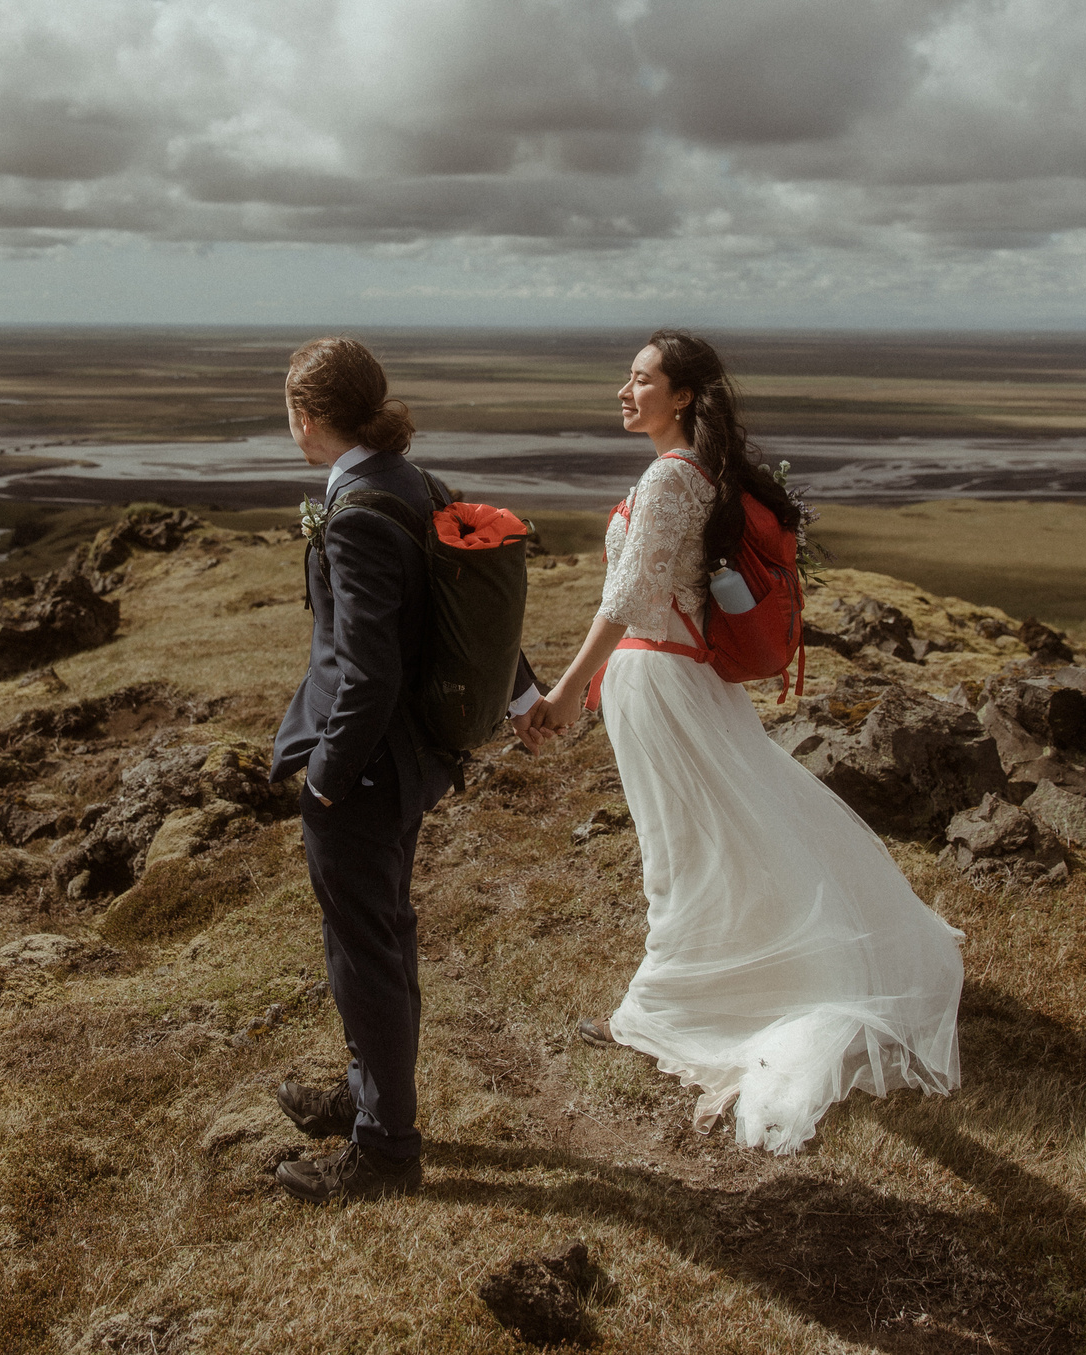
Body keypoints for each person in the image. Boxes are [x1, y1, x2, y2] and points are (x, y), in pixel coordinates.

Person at [521, 329, 964, 1152]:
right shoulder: (699, 474)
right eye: (628, 377)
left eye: (641, 379)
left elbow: (625, 598)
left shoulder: (669, 477)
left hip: (658, 680)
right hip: (680, 678)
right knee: (714, 837)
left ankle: (663, 1009)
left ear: (683, 395)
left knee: (679, 847)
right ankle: (716, 982)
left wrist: (566, 689)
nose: (624, 391)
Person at [266, 336, 543, 1204]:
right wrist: (525, 695)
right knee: (382, 933)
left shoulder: (356, 513)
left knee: (366, 951)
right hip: (411, 760)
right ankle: (368, 1096)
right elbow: (471, 607)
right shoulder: (415, 481)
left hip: (368, 771)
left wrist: (327, 778)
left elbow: (369, 672)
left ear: (307, 415)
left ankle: (386, 1148)